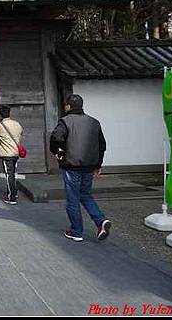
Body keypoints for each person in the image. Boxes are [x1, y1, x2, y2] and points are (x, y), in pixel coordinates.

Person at [50, 94, 111, 242]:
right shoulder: (94, 122)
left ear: (69, 106)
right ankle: (100, 221)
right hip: (89, 165)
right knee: (85, 195)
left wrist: (58, 153)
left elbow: (55, 138)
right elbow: (102, 145)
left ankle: (76, 231)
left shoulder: (65, 121)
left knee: (73, 199)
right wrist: (98, 164)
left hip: (72, 165)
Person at [0, 105, 23, 205]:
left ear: (0, 114)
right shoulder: (17, 124)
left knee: (9, 174)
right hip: (16, 153)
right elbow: (21, 134)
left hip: (6, 153)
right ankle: (14, 192)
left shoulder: (0, 126)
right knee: (13, 173)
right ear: (10, 113)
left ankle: (11, 197)